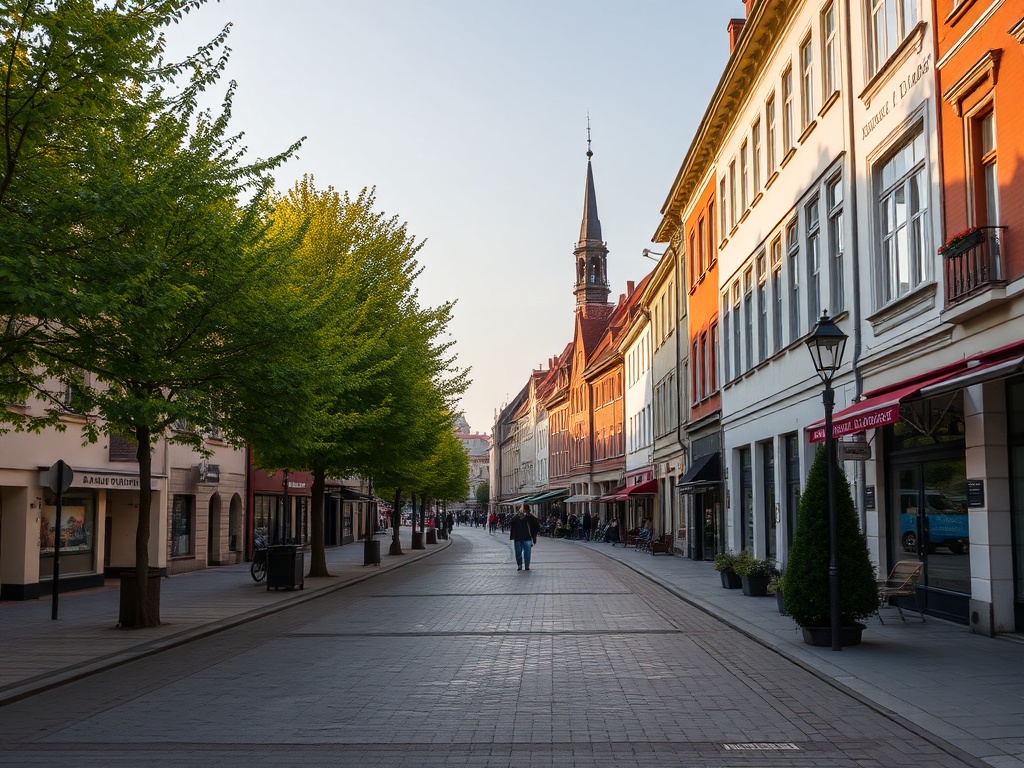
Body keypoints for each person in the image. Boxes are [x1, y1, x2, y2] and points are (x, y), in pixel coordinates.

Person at [509, 504, 539, 571]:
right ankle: (520, 565)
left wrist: (534, 535)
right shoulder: (515, 517)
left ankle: (526, 565)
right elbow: (511, 523)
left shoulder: (529, 518)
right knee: (519, 552)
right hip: (518, 538)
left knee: (526, 553)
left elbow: (536, 524)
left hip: (527, 537)